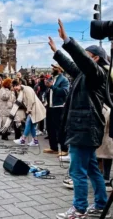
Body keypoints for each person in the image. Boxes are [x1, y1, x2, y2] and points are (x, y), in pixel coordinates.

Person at [49, 19, 108, 218]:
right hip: (84, 128)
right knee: (92, 169)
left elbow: (81, 60)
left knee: (78, 172)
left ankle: (79, 209)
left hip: (84, 128)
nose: (85, 60)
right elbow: (72, 65)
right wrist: (57, 52)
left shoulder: (96, 74)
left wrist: (68, 40)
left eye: (89, 57)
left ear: (96, 59)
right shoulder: (84, 74)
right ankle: (101, 204)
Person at [43, 64, 69, 156]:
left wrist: (52, 87)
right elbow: (48, 91)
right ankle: (53, 147)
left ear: (60, 69)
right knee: (51, 128)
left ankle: (64, 149)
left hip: (58, 107)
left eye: (55, 67)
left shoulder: (64, 79)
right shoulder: (52, 78)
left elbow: (64, 92)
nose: (52, 69)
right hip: (50, 107)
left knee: (60, 129)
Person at [12, 79, 46, 146]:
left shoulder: (26, 89)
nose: (15, 89)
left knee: (28, 124)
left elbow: (30, 100)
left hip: (34, 110)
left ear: (18, 85)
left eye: (15, 87)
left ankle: (23, 139)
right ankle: (35, 141)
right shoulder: (23, 89)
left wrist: (28, 110)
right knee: (31, 126)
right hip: (33, 110)